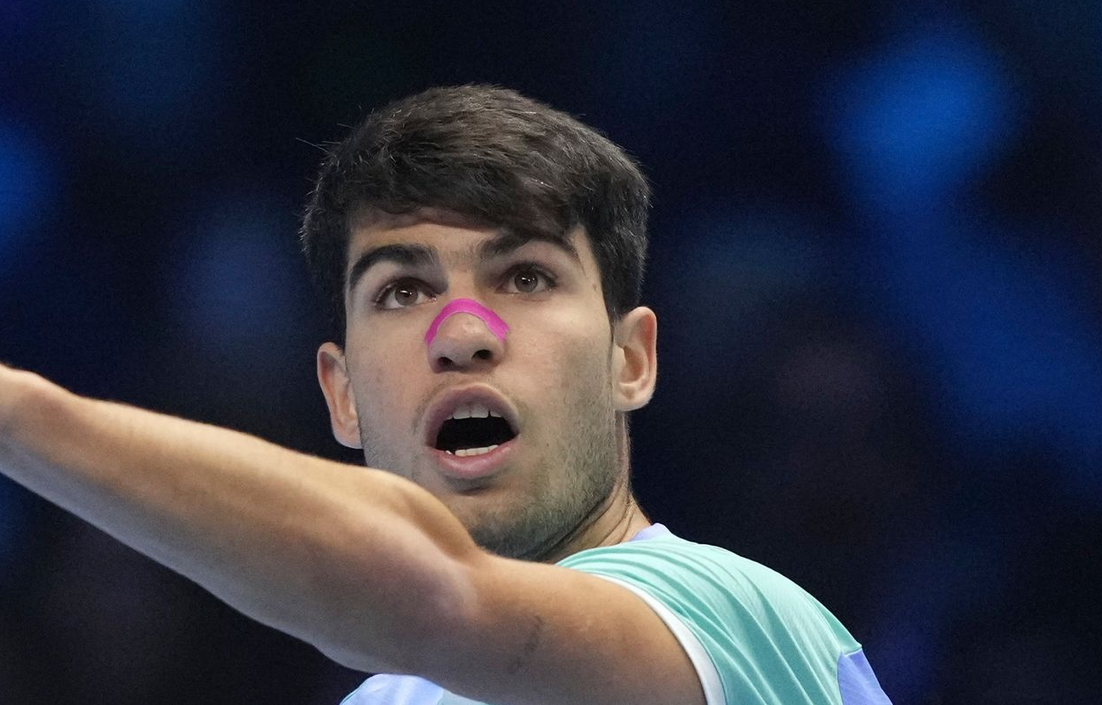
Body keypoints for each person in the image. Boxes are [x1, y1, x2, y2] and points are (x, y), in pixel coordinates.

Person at [0, 84, 892, 705]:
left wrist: (17, 416)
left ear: (631, 360)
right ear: (341, 397)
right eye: (402, 290)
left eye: (526, 277)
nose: (462, 331)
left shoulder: (729, 613)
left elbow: (429, 596)